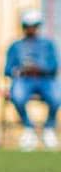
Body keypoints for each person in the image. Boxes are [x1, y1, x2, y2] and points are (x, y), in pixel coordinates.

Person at [4, 8, 60, 151]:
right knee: (17, 96)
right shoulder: (16, 46)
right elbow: (8, 69)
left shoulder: (48, 45)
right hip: (23, 80)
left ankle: (49, 129)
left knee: (56, 96)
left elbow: (54, 66)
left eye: (33, 26)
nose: (30, 29)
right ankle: (29, 129)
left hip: (45, 80)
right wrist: (21, 70)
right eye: (27, 26)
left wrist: (40, 68)